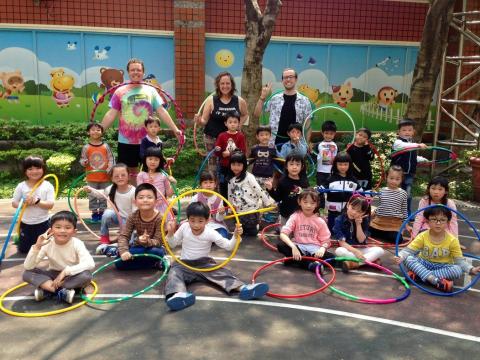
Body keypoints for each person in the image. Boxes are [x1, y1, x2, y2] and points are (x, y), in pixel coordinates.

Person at [164, 202, 269, 311]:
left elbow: (229, 246)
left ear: (207, 220)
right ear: (187, 219)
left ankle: (244, 288)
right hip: (184, 263)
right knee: (174, 273)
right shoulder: (184, 227)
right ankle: (180, 295)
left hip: (204, 263)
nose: (196, 225)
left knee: (222, 272)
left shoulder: (210, 232)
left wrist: (235, 236)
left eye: (200, 221)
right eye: (192, 220)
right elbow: (172, 244)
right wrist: (171, 233)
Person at [101, 58, 182, 178]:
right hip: (126, 140)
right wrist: (99, 130)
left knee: (151, 171)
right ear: (128, 72)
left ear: (143, 72)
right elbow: (111, 113)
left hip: (148, 139)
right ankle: (133, 196)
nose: (135, 72)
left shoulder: (151, 90)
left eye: (138, 70)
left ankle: (148, 195)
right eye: (132, 70)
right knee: (129, 172)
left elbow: (161, 111)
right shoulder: (120, 91)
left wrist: (175, 129)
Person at [395, 206, 480, 292]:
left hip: (443, 266)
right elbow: (408, 251)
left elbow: (460, 262)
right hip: (424, 263)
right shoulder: (422, 236)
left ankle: (419, 276)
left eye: (442, 220)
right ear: (427, 221)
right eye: (434, 219)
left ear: (448, 223)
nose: (438, 223)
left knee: (457, 270)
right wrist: (400, 256)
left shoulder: (452, 240)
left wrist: (472, 269)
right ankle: (435, 281)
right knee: (408, 259)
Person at [23, 211, 94, 304]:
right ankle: (60, 291)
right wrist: (37, 246)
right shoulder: (47, 244)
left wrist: (65, 272)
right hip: (53, 275)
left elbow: (90, 263)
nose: (62, 231)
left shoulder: (77, 243)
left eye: (67, 227)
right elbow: (28, 266)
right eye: (58, 227)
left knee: (86, 276)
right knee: (27, 273)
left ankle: (47, 289)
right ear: (51, 230)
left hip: (71, 276)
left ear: (74, 231)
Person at [195, 72, 248, 174]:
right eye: (222, 83)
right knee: (213, 164)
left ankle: (228, 186)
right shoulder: (211, 100)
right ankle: (214, 187)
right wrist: (199, 120)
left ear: (232, 84)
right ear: (218, 85)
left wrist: (238, 125)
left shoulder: (239, 101)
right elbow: (204, 120)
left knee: (231, 162)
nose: (225, 86)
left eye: (227, 83)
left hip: (231, 138)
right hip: (212, 137)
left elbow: (245, 114)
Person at [108, 183, 169, 270]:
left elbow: (158, 241)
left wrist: (147, 241)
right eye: (141, 197)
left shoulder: (160, 218)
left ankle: (117, 252)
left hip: (155, 248)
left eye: (149, 197)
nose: (145, 200)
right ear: (135, 202)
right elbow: (124, 235)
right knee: (119, 264)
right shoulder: (132, 216)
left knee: (156, 252)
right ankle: (154, 264)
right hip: (139, 247)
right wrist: (124, 251)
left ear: (156, 201)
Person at [254, 68, 312, 148]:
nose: (288, 79)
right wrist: (262, 97)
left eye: (291, 77)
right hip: (274, 144)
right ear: (282, 80)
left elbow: (308, 124)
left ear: (296, 79)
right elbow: (257, 114)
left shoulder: (304, 100)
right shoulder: (274, 98)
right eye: (285, 77)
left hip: (296, 144)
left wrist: (306, 144)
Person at [278, 188, 334, 271]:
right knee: (281, 246)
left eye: (312, 203)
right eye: (305, 202)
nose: (308, 206)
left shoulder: (320, 221)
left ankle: (293, 260)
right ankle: (310, 265)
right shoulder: (295, 216)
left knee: (332, 258)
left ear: (317, 204)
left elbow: (326, 240)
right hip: (299, 247)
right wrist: (293, 247)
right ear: (299, 202)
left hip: (315, 249)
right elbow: (283, 234)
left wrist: (322, 248)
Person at [85, 163, 136, 253]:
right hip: (117, 216)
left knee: (129, 243)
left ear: (129, 176)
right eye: (116, 176)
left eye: (123, 175)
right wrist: (90, 190)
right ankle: (104, 238)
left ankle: (123, 241)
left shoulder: (133, 191)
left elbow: (135, 211)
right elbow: (100, 194)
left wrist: (130, 225)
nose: (120, 177)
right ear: (112, 178)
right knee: (107, 213)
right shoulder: (111, 188)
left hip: (129, 219)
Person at [12, 156, 55, 254]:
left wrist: (37, 201)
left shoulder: (47, 186)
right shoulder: (21, 186)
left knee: (45, 249)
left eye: (38, 168)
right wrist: (24, 203)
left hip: (43, 223)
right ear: (25, 171)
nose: (34, 171)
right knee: (24, 250)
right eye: (30, 169)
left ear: (43, 169)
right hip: (26, 224)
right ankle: (20, 238)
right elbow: (14, 203)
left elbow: (50, 205)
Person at [228, 152, 275, 236]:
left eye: (239, 165)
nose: (236, 167)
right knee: (240, 232)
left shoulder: (249, 177)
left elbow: (258, 190)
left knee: (252, 233)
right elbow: (230, 194)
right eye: (233, 164)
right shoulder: (231, 179)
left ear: (244, 165)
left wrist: (268, 202)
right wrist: (230, 207)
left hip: (251, 210)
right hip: (239, 211)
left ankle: (255, 226)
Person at [333, 196, 384, 272]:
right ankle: (369, 261)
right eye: (353, 208)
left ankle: (354, 263)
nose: (354, 212)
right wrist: (355, 251)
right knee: (339, 251)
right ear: (348, 205)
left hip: (361, 249)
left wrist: (358, 225)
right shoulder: (338, 220)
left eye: (359, 211)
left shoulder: (364, 220)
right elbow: (342, 243)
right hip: (348, 249)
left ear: (363, 213)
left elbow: (361, 240)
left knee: (380, 250)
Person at [390, 119, 428, 215]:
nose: (407, 132)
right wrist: (418, 145)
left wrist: (423, 159)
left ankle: (406, 213)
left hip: (409, 174)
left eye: (409, 130)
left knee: (407, 194)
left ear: (413, 132)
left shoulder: (412, 143)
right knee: (395, 193)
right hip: (397, 174)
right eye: (404, 130)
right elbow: (405, 146)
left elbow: (413, 157)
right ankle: (392, 212)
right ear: (399, 132)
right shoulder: (398, 143)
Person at [79, 122, 115, 222]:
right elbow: (82, 159)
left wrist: (109, 169)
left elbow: (111, 158)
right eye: (93, 130)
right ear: (88, 132)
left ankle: (103, 213)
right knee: (92, 196)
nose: (96, 132)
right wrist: (84, 162)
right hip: (91, 177)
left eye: (98, 130)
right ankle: (95, 214)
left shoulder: (106, 146)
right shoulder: (86, 147)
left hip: (105, 177)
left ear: (102, 132)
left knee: (104, 196)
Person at [265, 151, 310, 224]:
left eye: (297, 164)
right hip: (286, 214)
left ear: (302, 167)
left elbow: (308, 197)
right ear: (286, 166)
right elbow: (278, 198)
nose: (294, 167)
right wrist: (270, 189)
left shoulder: (304, 181)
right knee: (285, 233)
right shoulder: (282, 181)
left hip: (300, 214)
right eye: (291, 164)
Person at [369, 165, 409, 244]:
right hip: (379, 222)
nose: (394, 181)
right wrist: (372, 213)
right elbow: (381, 206)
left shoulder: (403, 193)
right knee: (367, 232)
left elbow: (404, 210)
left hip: (394, 225)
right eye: (391, 178)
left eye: (397, 179)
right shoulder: (382, 190)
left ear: (401, 180)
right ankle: (381, 234)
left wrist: (406, 225)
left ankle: (384, 235)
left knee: (397, 239)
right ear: (386, 177)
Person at [323, 152, 362, 231]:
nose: (343, 167)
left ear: (349, 165)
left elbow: (360, 193)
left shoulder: (353, 180)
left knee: (345, 231)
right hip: (333, 211)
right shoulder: (331, 179)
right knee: (332, 231)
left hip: (347, 212)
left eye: (345, 164)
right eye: (340, 164)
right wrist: (316, 190)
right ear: (335, 165)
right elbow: (321, 189)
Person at [214, 111, 247, 200]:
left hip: (236, 167)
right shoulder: (221, 136)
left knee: (236, 185)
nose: (233, 124)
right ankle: (225, 204)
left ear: (239, 123)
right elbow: (216, 151)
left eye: (235, 122)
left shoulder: (240, 136)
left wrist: (231, 153)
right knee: (223, 185)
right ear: (226, 123)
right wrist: (220, 152)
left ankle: (237, 202)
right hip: (224, 166)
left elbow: (243, 151)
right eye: (230, 122)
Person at [136, 147, 176, 216]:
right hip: (147, 206)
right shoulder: (141, 175)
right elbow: (139, 193)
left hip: (162, 207)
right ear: (145, 159)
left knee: (164, 225)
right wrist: (148, 184)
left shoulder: (163, 176)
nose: (153, 162)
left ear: (160, 161)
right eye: (150, 159)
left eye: (156, 159)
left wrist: (174, 184)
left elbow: (169, 194)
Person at [191, 171, 228, 238]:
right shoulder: (195, 198)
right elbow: (191, 214)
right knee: (187, 231)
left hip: (215, 225)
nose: (208, 185)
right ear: (201, 185)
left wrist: (221, 213)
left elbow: (219, 219)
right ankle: (207, 239)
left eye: (211, 182)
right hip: (198, 225)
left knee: (223, 235)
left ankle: (207, 239)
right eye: (205, 182)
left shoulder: (219, 198)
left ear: (215, 184)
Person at [316, 120, 338, 209]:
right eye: (326, 133)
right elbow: (314, 154)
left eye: (331, 133)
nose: (328, 135)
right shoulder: (319, 144)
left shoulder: (335, 145)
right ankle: (320, 207)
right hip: (320, 171)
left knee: (331, 189)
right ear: (322, 133)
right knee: (320, 190)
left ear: (334, 134)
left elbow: (336, 158)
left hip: (331, 172)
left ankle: (330, 206)